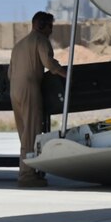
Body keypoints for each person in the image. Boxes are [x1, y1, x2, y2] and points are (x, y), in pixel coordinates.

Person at [9, 12, 68, 187]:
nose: (51, 30)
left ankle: (29, 168)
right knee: (32, 131)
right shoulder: (41, 41)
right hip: (29, 88)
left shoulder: (19, 45)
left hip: (15, 90)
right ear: (44, 26)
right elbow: (48, 63)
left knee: (24, 132)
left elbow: (10, 72)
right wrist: (66, 74)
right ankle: (27, 175)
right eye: (51, 26)